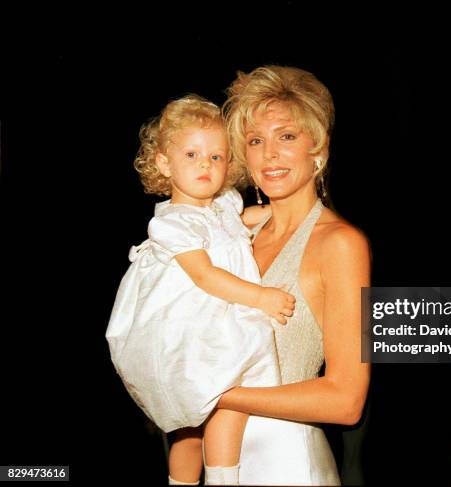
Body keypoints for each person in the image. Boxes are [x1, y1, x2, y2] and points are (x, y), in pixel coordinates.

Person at [105, 94, 296, 485]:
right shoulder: (173, 223)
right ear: (163, 163)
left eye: (216, 157)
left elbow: (236, 225)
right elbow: (206, 276)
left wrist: (275, 212)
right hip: (189, 328)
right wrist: (260, 297)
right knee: (190, 429)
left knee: (229, 409)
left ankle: (224, 478)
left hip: (223, 319)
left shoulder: (223, 203)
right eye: (191, 155)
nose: (205, 165)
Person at [218, 65, 371, 485]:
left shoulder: (339, 243)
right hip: (216, 459)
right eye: (255, 140)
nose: (270, 154)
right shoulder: (234, 237)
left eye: (286, 136)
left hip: (286, 464)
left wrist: (219, 397)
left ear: (317, 149)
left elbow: (345, 400)